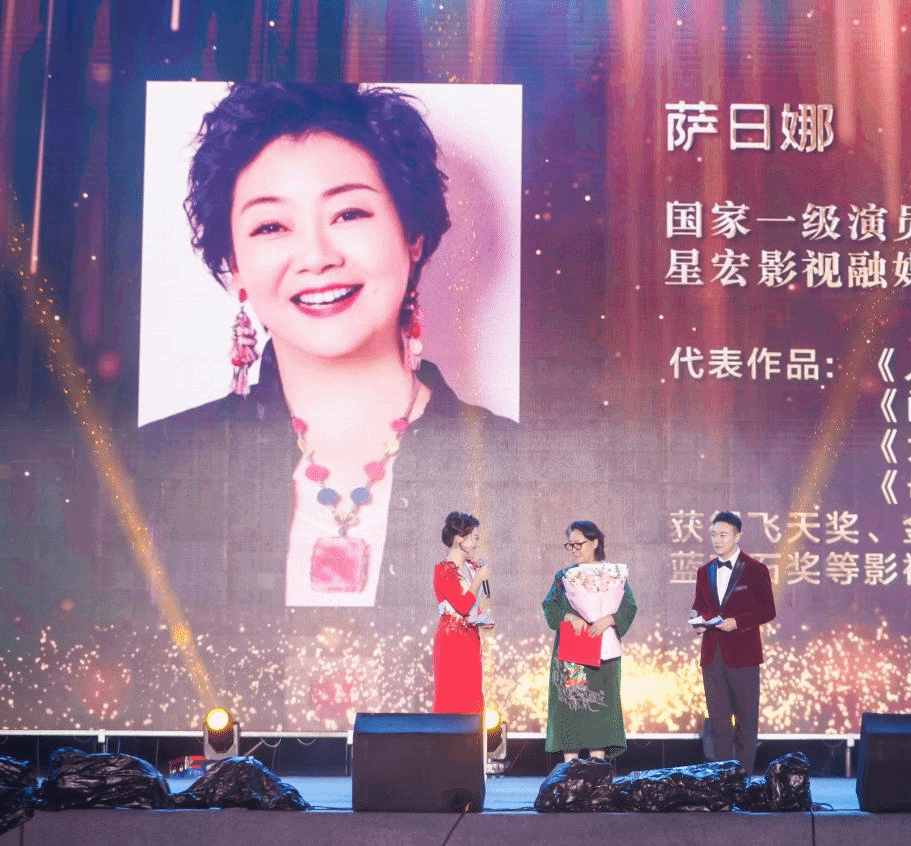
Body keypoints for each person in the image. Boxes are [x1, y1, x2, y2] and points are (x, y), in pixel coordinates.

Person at [136, 83, 515, 609]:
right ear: (235, 265)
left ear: (413, 236)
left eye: (349, 214)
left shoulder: (524, 473)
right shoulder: (146, 472)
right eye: (271, 225)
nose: (315, 257)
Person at [542, 520, 637, 760]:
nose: (574, 550)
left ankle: (597, 771)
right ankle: (570, 772)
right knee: (571, 710)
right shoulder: (564, 576)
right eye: (570, 545)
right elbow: (549, 607)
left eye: (579, 544)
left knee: (600, 714)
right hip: (573, 655)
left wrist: (609, 620)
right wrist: (570, 617)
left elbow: (629, 607)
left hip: (605, 655)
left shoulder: (615, 575)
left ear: (595, 542)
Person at [691, 510, 776, 776]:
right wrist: (697, 621)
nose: (717, 540)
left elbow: (768, 611)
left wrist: (738, 622)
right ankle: (723, 781)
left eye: (723, 535)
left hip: (744, 655)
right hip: (712, 656)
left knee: (746, 723)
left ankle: (744, 780)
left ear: (738, 536)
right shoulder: (704, 571)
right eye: (713, 534)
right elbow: (699, 606)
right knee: (718, 725)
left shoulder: (756, 569)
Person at [432, 511, 491, 714]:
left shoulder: (472, 567)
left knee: (472, 698)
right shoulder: (443, 570)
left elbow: (473, 606)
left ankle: (472, 735)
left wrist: (483, 619)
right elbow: (462, 605)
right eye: (474, 538)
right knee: (451, 698)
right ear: (459, 539)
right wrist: (478, 579)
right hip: (451, 641)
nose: (476, 544)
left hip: (470, 639)